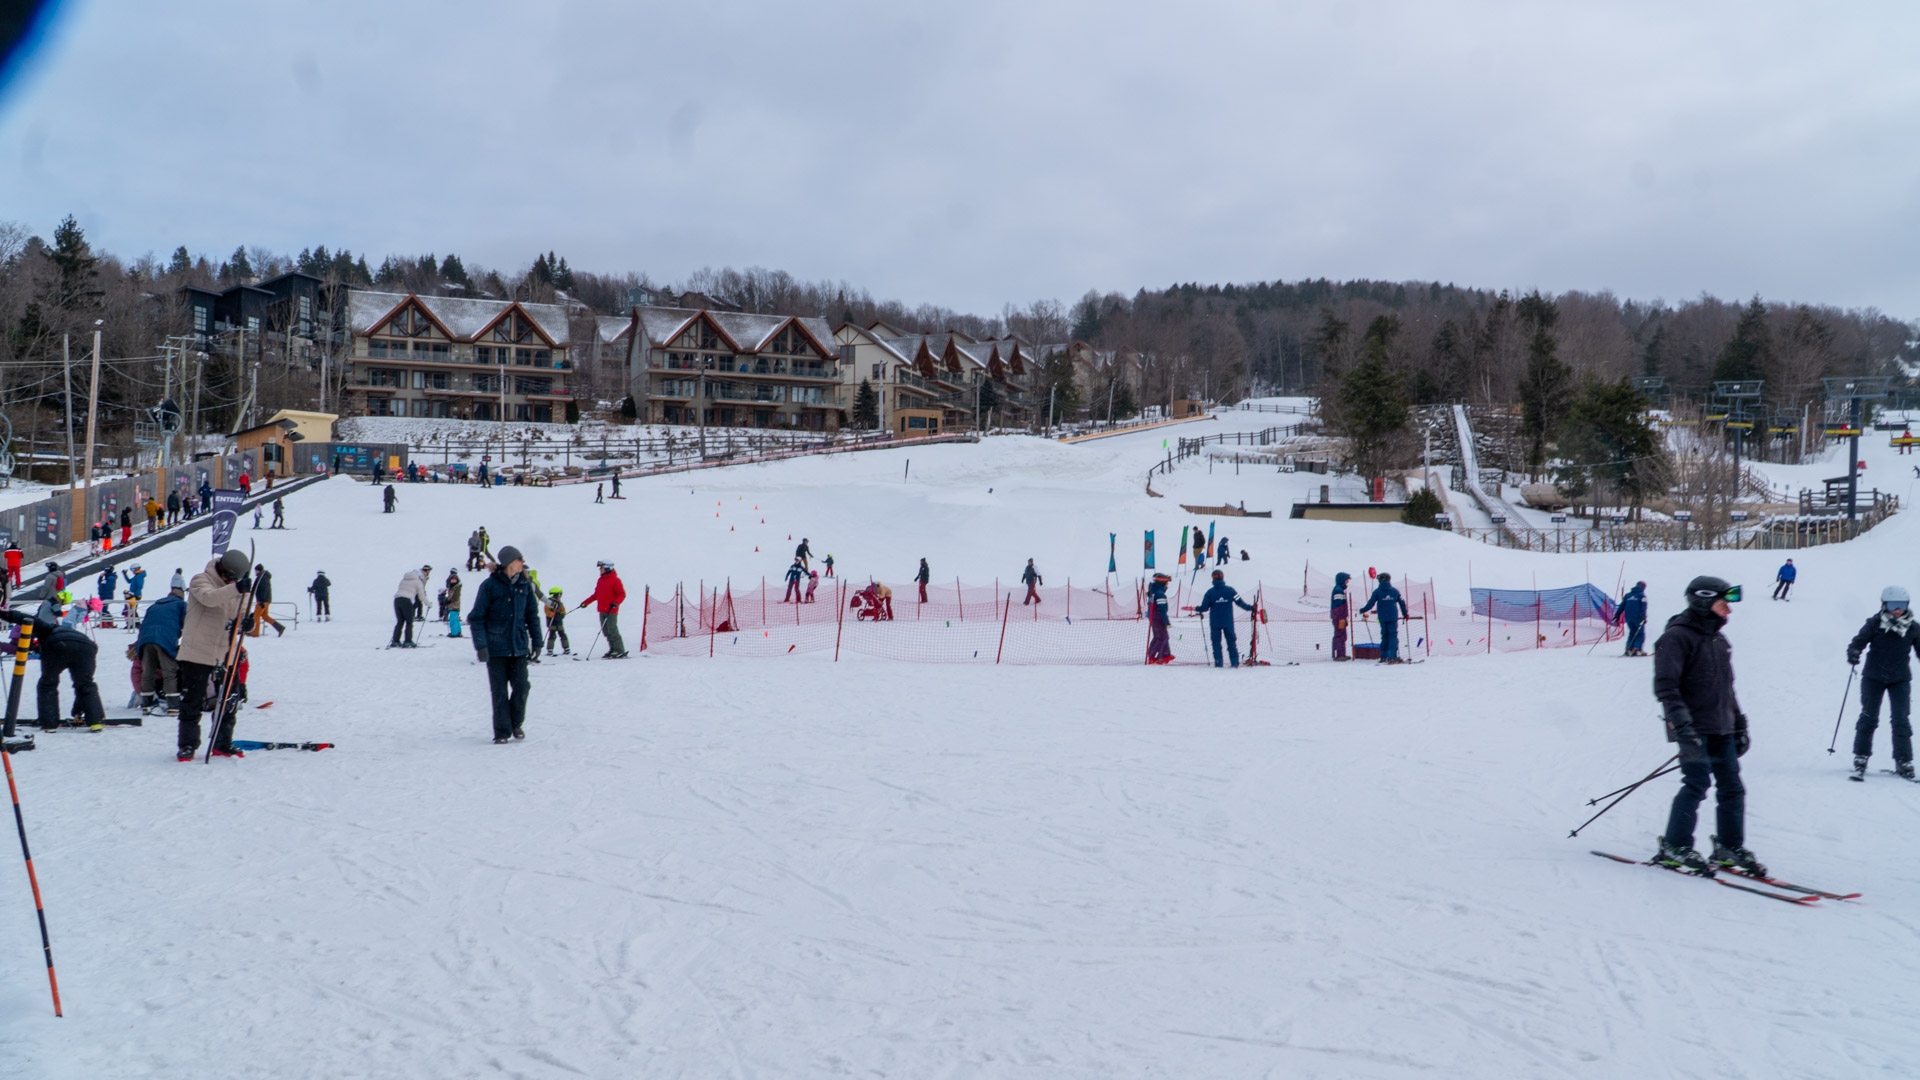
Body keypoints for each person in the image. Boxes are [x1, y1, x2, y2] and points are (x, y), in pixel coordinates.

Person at [1652, 575, 1761, 876]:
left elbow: (1727, 688)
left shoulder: (1718, 640)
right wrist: (1681, 726)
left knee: (1732, 788)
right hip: (1693, 727)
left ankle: (1729, 847)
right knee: (1696, 784)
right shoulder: (1677, 637)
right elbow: (1666, 686)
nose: (1729, 609)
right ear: (1702, 601)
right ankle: (1675, 845)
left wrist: (1739, 724)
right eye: (1723, 603)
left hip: (1722, 726)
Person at [175, 548, 253, 760]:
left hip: (226, 653)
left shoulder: (241, 590)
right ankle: (187, 745)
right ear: (222, 569)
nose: (231, 582)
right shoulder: (201, 580)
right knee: (192, 700)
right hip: (197, 652)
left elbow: (241, 616)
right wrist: (236, 588)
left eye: (235, 580)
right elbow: (209, 599)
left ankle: (222, 742)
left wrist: (247, 623)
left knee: (229, 700)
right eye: (229, 577)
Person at [1846, 586, 1920, 780]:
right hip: (1873, 677)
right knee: (1868, 717)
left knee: (1901, 719)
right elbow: (1858, 642)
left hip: (1900, 679)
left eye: (1901, 605)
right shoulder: (1874, 624)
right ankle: (1861, 757)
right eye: (1893, 605)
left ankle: (1904, 761)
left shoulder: (1913, 627)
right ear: (1884, 605)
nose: (1897, 610)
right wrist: (1854, 652)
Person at [469, 544, 541, 743]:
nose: (523, 562)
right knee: (499, 692)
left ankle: (516, 723)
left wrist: (537, 642)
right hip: (496, 649)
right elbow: (476, 618)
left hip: (519, 647)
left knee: (522, 687)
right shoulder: (489, 586)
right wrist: (481, 646)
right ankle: (502, 732)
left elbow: (532, 616)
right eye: (519, 559)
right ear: (510, 562)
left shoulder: (525, 585)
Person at [2, 600, 104, 730]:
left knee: (48, 684)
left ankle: (49, 724)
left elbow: (23, 618)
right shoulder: (71, 632)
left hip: (58, 645)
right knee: (85, 684)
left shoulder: (46, 628)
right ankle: (96, 721)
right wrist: (77, 710)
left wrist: (3, 614)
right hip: (87, 648)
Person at [133, 574, 186, 714]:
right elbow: (187, 624)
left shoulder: (155, 605)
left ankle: (146, 705)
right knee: (169, 671)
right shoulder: (181, 605)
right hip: (164, 639)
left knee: (148, 672)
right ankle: (173, 706)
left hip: (145, 639)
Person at [1190, 569, 1256, 668]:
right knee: (1231, 643)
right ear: (1222, 577)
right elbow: (1240, 603)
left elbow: (1204, 607)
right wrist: (1251, 608)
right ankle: (1234, 662)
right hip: (1228, 622)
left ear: (1213, 578)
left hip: (1215, 623)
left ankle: (1218, 662)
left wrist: (1196, 608)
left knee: (1216, 643)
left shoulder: (1209, 592)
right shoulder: (1231, 590)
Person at [578, 560, 628, 658]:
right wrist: (586, 603)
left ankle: (619, 650)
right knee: (606, 631)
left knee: (612, 630)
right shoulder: (600, 580)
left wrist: (616, 603)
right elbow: (596, 595)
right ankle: (612, 649)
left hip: (611, 610)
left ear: (608, 568)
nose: (600, 569)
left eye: (602, 568)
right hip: (602, 610)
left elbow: (621, 594)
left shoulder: (615, 580)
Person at [1359, 572, 1406, 663]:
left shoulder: (1377, 591)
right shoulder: (1395, 591)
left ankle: (1384, 656)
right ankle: (1392, 656)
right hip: (1392, 617)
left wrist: (1363, 610)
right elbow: (1402, 603)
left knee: (1384, 635)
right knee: (1392, 635)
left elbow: (1371, 603)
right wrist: (1405, 614)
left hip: (1382, 617)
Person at [392, 564, 429, 647]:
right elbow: (421, 595)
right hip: (406, 601)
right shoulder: (418, 581)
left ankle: (395, 641)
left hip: (397, 600)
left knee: (400, 621)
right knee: (409, 622)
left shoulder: (403, 580)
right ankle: (408, 641)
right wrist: (428, 604)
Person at [1145, 572, 1173, 664]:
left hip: (1153, 617)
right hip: (1158, 618)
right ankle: (1157, 656)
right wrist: (1166, 621)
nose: (1167, 585)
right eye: (1167, 583)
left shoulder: (1153, 592)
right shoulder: (1160, 594)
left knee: (1158, 637)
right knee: (1163, 638)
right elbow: (1162, 609)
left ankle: (1165, 655)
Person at [1616, 581, 1649, 657]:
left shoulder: (1628, 595)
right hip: (1638, 617)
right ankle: (1637, 649)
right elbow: (1643, 606)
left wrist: (1617, 615)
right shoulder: (1642, 596)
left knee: (1632, 632)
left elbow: (1622, 605)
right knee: (1640, 633)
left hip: (1628, 618)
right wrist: (1643, 616)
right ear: (1643, 587)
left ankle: (1629, 648)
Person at [250, 564, 284, 637]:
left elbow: (264, 589)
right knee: (265, 616)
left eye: (255, 570)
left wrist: (262, 601)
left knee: (256, 616)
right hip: (266, 600)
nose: (255, 572)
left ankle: (255, 632)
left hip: (262, 601)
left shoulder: (262, 578)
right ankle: (280, 628)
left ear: (258, 570)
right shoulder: (263, 577)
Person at [1330, 571, 1352, 661]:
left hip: (1341, 617)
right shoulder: (1338, 590)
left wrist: (1345, 617)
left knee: (1342, 635)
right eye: (1346, 580)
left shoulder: (1341, 590)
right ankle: (1338, 655)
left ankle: (1342, 653)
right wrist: (1341, 618)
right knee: (1339, 635)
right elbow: (1338, 606)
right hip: (1338, 617)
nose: (1347, 582)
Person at [543, 587, 570, 656]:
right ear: (555, 595)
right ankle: (550, 649)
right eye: (559, 594)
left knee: (562, 634)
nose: (560, 596)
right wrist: (553, 615)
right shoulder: (548, 602)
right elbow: (547, 611)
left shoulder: (560, 603)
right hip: (552, 622)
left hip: (559, 622)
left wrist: (562, 615)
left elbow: (563, 610)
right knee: (552, 635)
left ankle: (566, 648)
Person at [444, 570, 464, 638]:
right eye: (452, 580)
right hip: (453, 605)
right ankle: (458, 631)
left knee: (452, 619)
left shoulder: (456, 587)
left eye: (455, 580)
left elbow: (456, 597)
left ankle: (454, 633)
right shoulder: (452, 587)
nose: (453, 581)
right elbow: (451, 596)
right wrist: (447, 600)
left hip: (454, 605)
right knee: (455, 619)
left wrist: (449, 601)